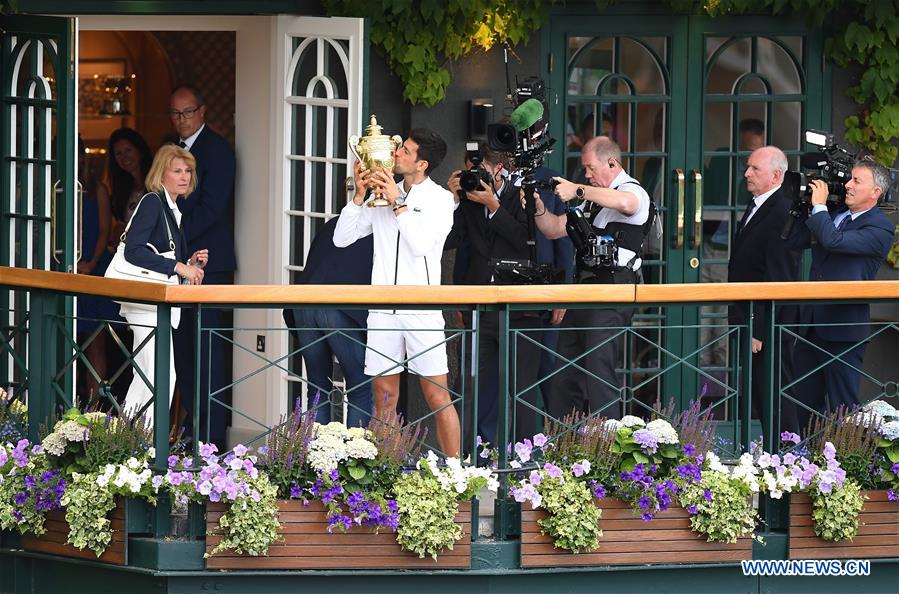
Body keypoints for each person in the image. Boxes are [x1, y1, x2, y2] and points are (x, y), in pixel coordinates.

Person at [333, 129, 461, 457]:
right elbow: (341, 239)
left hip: (422, 310)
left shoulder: (441, 200)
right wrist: (359, 196)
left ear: (422, 164)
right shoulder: (381, 193)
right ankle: (384, 475)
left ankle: (458, 474)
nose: (396, 154)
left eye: (405, 150)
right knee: (384, 401)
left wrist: (397, 203)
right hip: (382, 309)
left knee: (437, 397)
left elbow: (420, 245)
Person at [531, 136, 652, 419]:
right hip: (584, 291)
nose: (586, 175)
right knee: (563, 374)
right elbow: (553, 229)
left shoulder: (632, 190)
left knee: (599, 371)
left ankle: (610, 449)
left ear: (611, 162)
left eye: (590, 167)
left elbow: (625, 203)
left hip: (612, 291)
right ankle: (564, 448)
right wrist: (536, 204)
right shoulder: (592, 200)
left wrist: (577, 190)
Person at [445, 144, 543, 445]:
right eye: (470, 172)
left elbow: (527, 242)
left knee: (521, 385)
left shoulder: (521, 195)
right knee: (470, 381)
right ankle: (472, 453)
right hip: (480, 305)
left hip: (519, 306)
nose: (475, 178)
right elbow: (448, 240)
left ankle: (527, 456)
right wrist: (453, 200)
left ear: (497, 169)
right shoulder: (468, 202)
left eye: (480, 172)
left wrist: (493, 206)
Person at [786, 159, 895, 431]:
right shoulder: (835, 214)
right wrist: (804, 206)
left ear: (875, 192)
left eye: (857, 181)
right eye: (850, 179)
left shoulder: (880, 227)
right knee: (801, 404)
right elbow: (793, 240)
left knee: (842, 407)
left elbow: (834, 241)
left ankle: (846, 468)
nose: (847, 185)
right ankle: (801, 463)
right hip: (812, 324)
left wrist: (820, 207)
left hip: (843, 327)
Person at [120, 144, 208, 425]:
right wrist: (177, 266)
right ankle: (137, 447)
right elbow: (133, 250)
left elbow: (164, 257)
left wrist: (189, 264)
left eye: (188, 171)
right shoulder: (152, 202)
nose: (184, 176)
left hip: (155, 303)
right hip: (145, 302)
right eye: (177, 171)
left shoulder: (171, 209)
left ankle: (129, 443)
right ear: (161, 174)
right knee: (157, 376)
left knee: (152, 377)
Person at [169, 84, 236, 446]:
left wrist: (172, 235)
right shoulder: (170, 150)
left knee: (208, 354)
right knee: (183, 352)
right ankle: (191, 433)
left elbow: (213, 209)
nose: (181, 120)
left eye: (188, 113)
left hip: (211, 264)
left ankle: (211, 441)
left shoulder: (218, 151)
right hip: (178, 265)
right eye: (176, 114)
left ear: (203, 111)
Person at [726, 146, 801, 432]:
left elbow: (778, 275)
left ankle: (789, 457)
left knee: (775, 395)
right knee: (760, 393)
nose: (747, 173)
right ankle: (773, 455)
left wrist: (758, 327)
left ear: (776, 175)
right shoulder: (760, 202)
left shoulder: (782, 209)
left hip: (769, 323)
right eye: (748, 167)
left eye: (754, 169)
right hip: (751, 315)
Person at [283, 216, 373, 427]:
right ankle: (357, 457)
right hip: (339, 307)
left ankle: (315, 454)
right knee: (360, 387)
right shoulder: (380, 227)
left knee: (316, 387)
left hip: (304, 304)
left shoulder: (336, 222)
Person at [76, 137, 117, 402]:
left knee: (95, 343)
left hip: (93, 268)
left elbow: (104, 230)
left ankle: (94, 407)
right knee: (65, 342)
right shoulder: (53, 186)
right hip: (64, 271)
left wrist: (91, 262)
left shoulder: (97, 189)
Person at [108, 127, 153, 230]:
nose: (124, 157)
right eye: (119, 153)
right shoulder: (121, 192)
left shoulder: (158, 184)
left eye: (128, 150)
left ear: (140, 150)